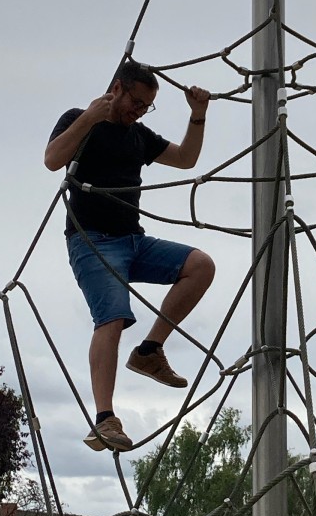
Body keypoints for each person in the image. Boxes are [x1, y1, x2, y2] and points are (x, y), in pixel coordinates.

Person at [44, 62, 215, 452]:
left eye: (146, 106)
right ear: (117, 88)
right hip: (93, 241)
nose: (138, 110)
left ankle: (149, 351)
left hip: (133, 242)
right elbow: (53, 159)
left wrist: (198, 114)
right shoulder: (80, 119)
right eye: (135, 102)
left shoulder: (138, 136)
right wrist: (90, 116)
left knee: (200, 265)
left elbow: (187, 158)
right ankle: (104, 419)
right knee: (113, 317)